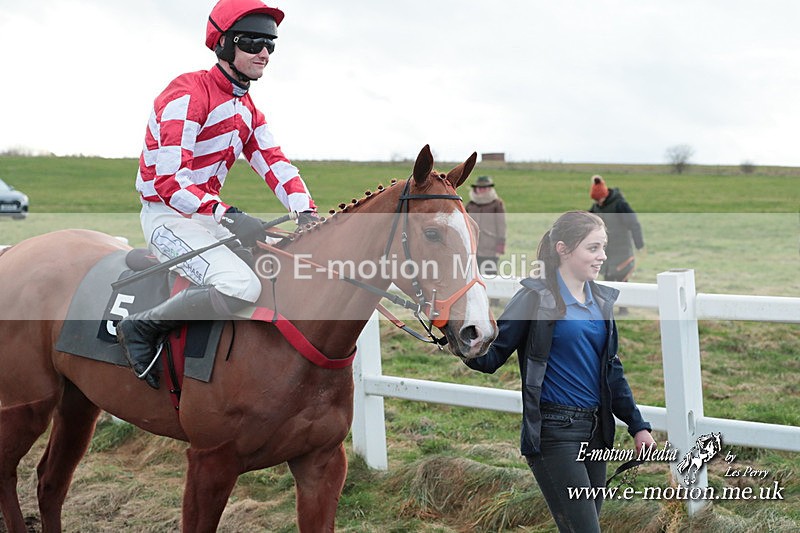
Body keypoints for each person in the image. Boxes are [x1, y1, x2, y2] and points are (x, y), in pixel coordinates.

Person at [118, 0, 319, 389]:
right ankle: (141, 327)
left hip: (206, 218)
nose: (264, 53)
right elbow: (170, 182)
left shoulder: (247, 108)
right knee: (240, 285)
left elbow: (274, 162)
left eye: (271, 45)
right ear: (225, 44)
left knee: (275, 268)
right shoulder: (186, 93)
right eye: (253, 43)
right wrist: (227, 213)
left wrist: (305, 210)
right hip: (167, 217)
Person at [464, 211, 654, 533]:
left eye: (603, 247)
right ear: (563, 249)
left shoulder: (600, 301)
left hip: (597, 433)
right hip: (555, 433)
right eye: (593, 248)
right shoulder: (535, 299)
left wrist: (637, 426)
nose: (602, 256)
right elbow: (492, 357)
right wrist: (457, 337)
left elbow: (612, 371)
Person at [588, 175, 645, 285]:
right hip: (606, 253)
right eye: (596, 200)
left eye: (599, 199)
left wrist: (639, 244)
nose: (598, 202)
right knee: (608, 284)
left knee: (622, 284)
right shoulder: (597, 207)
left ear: (605, 195)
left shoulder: (620, 205)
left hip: (621, 252)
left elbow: (634, 224)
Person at [465, 175, 506, 277]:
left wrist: (500, 244)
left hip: (490, 247)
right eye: (480, 188)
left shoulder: (497, 204)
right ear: (475, 189)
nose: (482, 190)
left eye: (485, 188)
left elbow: (501, 225)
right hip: (472, 247)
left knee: (489, 275)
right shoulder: (470, 205)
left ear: (490, 189)